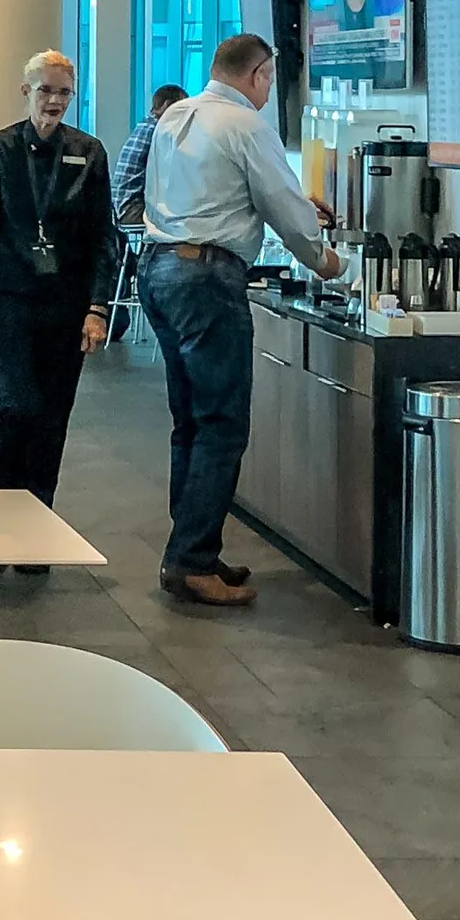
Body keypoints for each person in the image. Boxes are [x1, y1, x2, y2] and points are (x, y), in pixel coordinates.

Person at [139, 32, 344, 609]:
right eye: (270, 80)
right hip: (206, 281)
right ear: (257, 75)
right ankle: (191, 558)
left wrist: (296, 205)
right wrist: (330, 263)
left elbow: (211, 191)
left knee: (192, 422)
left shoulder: (177, 113)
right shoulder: (247, 125)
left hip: (158, 270)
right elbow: (288, 217)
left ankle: (189, 548)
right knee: (223, 424)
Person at [0, 50, 117, 524]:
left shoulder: (89, 153)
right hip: (14, 298)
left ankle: (35, 524)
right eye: (45, 90)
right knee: (14, 406)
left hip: (67, 303)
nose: (54, 100)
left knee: (52, 418)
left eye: (64, 91)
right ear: (26, 91)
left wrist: (98, 307)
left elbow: (102, 238)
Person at [112, 83, 188, 228]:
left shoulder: (145, 125)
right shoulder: (159, 131)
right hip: (132, 210)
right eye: (182, 109)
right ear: (168, 106)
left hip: (119, 207)